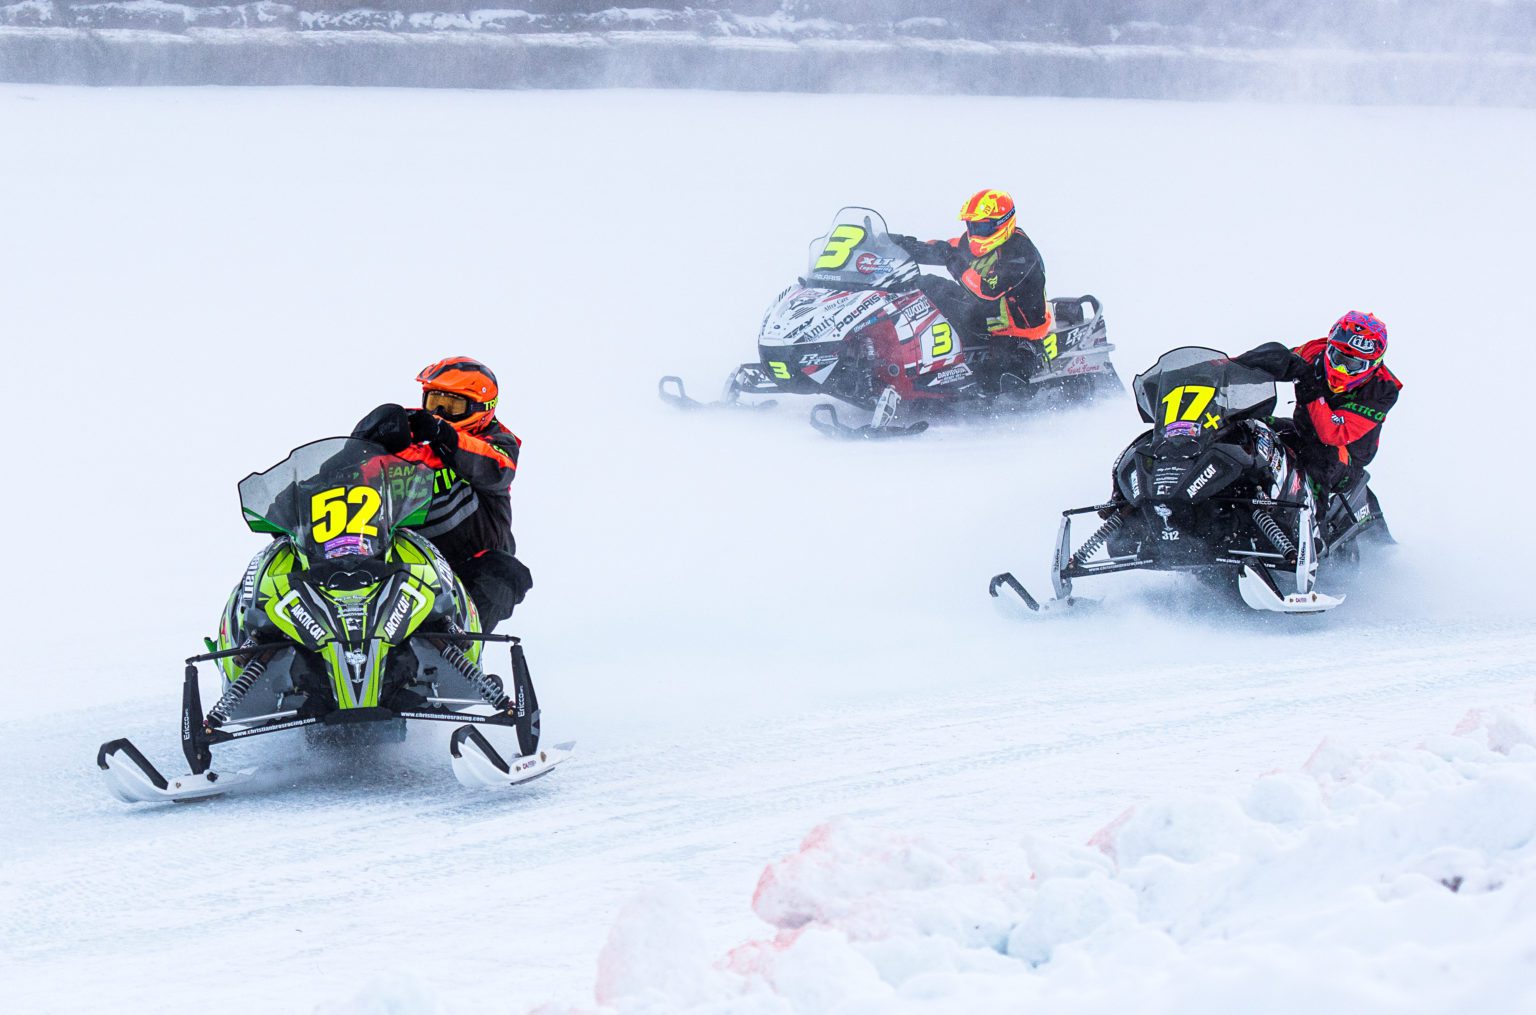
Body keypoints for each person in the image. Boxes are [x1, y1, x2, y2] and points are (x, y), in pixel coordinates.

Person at [352, 356, 532, 627]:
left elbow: (495, 467)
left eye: (453, 406)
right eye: (435, 402)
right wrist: (359, 450)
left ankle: (460, 650)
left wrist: (443, 434)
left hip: (468, 570)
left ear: (483, 409)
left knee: (507, 573)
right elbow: (347, 474)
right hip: (402, 565)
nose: (440, 413)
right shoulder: (406, 439)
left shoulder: (498, 444)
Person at [888, 189, 1052, 388]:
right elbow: (944, 249)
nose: (975, 233)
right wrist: (897, 244)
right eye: (972, 226)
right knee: (924, 284)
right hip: (982, 316)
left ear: (1002, 223)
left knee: (992, 383)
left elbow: (988, 290)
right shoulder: (970, 242)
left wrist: (954, 261)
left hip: (1018, 334)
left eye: (982, 227)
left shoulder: (1021, 253)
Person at [1234, 311, 1402, 496]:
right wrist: (1226, 368)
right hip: (1302, 431)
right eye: (1338, 358)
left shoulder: (1383, 390)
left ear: (1373, 365)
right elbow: (1275, 363)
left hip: (1343, 459)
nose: (1341, 369)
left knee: (1320, 458)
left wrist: (1311, 391)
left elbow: (1333, 434)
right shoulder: (1315, 351)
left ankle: (1314, 519)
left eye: (1352, 365)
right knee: (1250, 427)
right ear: (1329, 348)